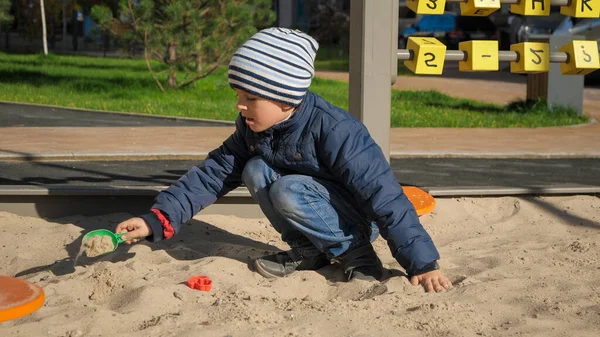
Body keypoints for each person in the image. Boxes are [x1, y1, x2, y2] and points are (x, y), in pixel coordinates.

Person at [115, 27, 452, 292]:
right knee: (255, 169)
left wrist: (422, 264)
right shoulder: (254, 128)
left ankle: (359, 256)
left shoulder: (337, 131)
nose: (240, 105)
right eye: (237, 95)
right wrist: (155, 221)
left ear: (285, 98)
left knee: (287, 190)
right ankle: (310, 250)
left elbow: (384, 195)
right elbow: (213, 174)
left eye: (250, 97)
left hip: (355, 217)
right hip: (310, 204)